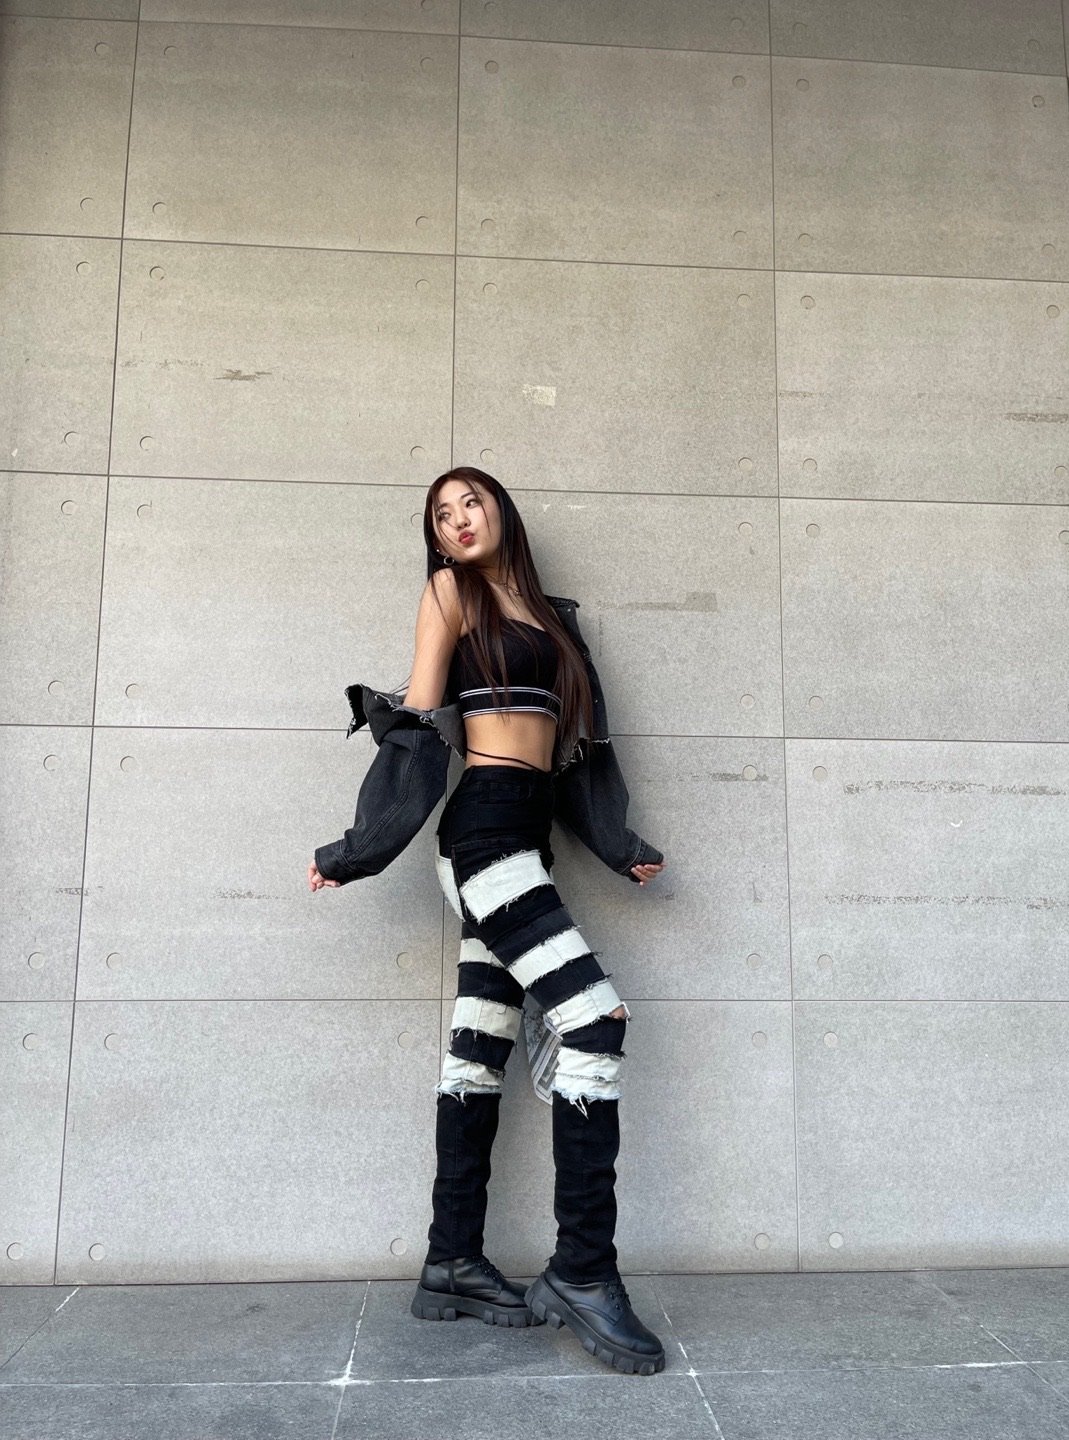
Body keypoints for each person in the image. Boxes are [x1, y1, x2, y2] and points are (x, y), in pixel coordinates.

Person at [309, 466, 668, 1376]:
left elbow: (581, 751)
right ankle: (583, 1271)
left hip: (529, 834)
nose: (458, 519)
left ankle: (451, 1260)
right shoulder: (449, 595)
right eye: (442, 513)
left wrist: (616, 843)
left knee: (480, 1047)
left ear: (501, 509)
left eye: (470, 502)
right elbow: (417, 722)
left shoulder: (553, 620)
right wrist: (357, 848)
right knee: (594, 1020)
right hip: (481, 837)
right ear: (434, 537)